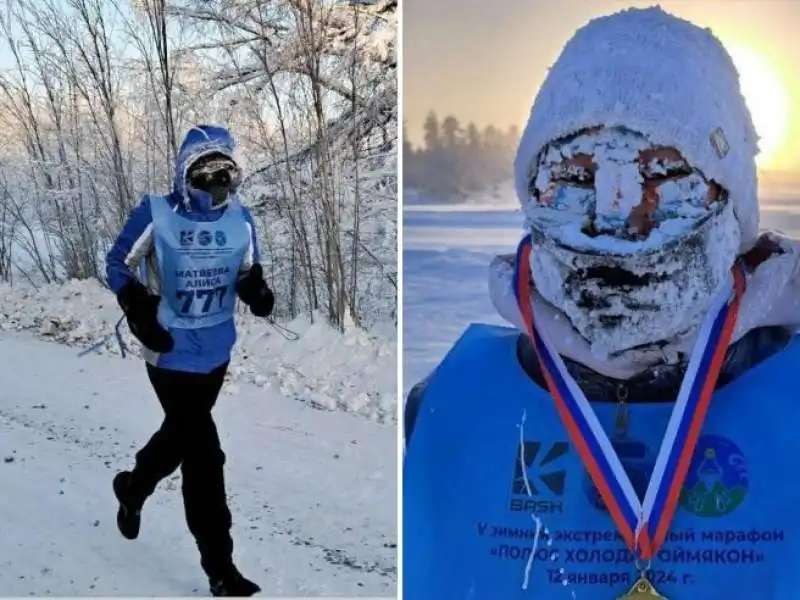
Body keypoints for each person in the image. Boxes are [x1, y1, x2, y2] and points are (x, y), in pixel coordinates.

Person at [403, 7, 800, 600]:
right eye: (578, 178)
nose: (618, 221)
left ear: (732, 200)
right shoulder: (444, 407)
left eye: (663, 175)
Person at [106, 124, 274, 596]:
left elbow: (245, 270)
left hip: (216, 351)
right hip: (169, 351)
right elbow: (117, 262)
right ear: (187, 174)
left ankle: (133, 487)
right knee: (204, 453)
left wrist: (256, 291)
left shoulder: (240, 219)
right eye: (208, 173)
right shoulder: (156, 214)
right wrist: (138, 308)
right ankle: (220, 569)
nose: (219, 183)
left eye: (228, 173)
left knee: (180, 436)